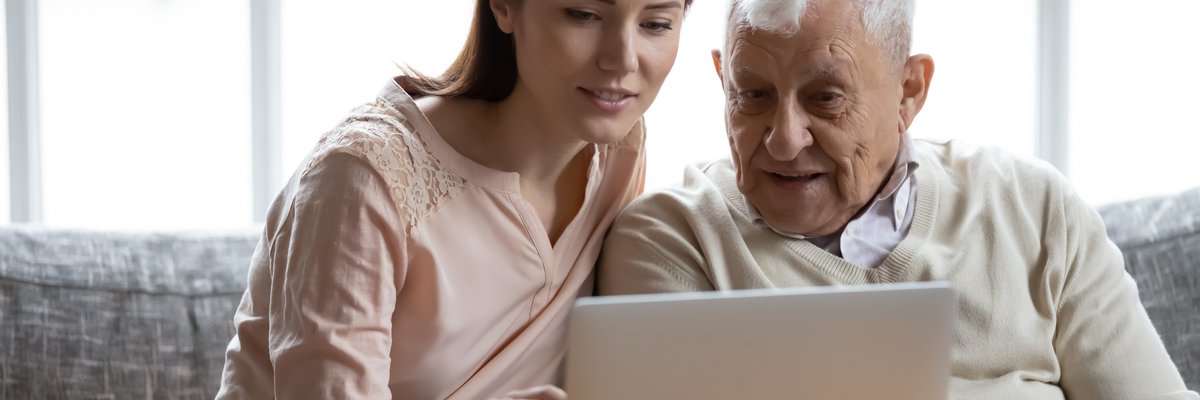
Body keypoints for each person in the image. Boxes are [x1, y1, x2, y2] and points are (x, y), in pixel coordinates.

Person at [596, 0, 1198, 398]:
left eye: (826, 98)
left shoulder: (1034, 207)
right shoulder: (671, 241)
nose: (783, 139)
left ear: (910, 90)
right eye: (752, 94)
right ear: (722, 78)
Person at [215, 0, 690, 398]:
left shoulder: (619, 149)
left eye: (656, 24)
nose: (623, 59)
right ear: (504, 6)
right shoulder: (361, 180)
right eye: (583, 14)